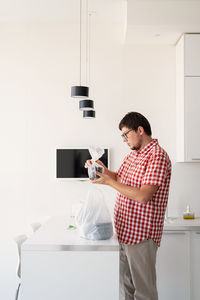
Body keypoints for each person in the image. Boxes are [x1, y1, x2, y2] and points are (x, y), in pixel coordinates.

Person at [85, 112, 171, 300]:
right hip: (124, 232)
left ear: (140, 130)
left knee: (144, 293)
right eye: (122, 136)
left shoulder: (157, 156)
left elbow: (143, 196)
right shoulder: (133, 156)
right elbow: (118, 178)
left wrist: (108, 182)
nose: (124, 140)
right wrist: (101, 169)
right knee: (126, 290)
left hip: (141, 235)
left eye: (125, 134)